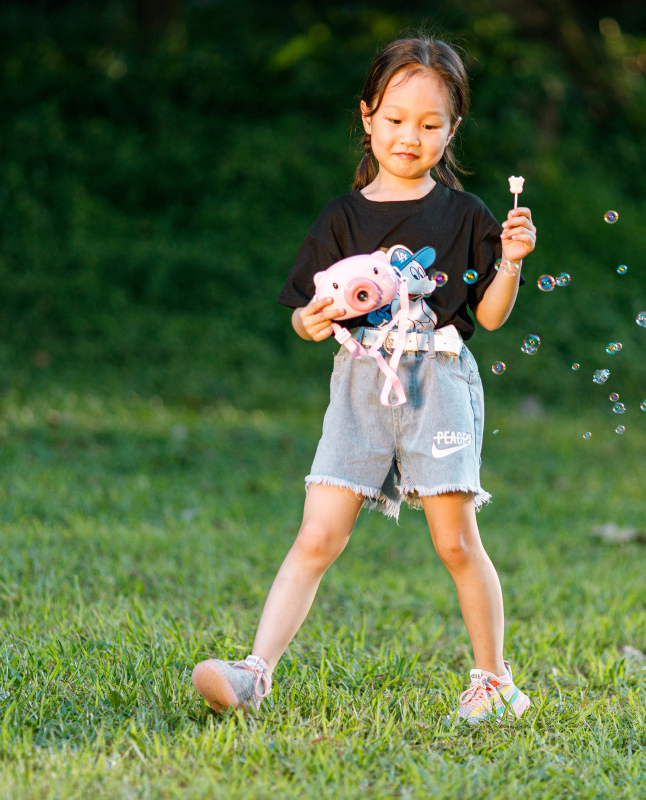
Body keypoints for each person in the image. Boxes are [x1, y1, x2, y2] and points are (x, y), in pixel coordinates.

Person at [191, 34, 537, 724]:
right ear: (368, 117)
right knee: (317, 535)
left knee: (454, 540)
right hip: (359, 385)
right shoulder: (342, 217)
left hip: (436, 381)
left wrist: (513, 261)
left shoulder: (466, 214)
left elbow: (490, 318)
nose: (411, 136)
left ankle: (495, 682)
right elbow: (305, 313)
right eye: (396, 119)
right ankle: (254, 673)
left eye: (430, 124)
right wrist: (310, 324)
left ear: (452, 130)